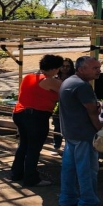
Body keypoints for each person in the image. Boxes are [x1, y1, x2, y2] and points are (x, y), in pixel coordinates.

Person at [57, 56, 103, 206]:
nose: (99, 71)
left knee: (69, 169)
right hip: (84, 135)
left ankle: (67, 199)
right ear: (81, 69)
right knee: (88, 170)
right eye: (95, 68)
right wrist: (102, 132)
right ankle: (88, 204)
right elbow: (92, 112)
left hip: (71, 133)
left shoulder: (69, 81)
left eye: (99, 67)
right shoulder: (82, 86)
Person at [10, 54, 64, 186]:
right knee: (34, 148)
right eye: (58, 68)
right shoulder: (50, 80)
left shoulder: (28, 77)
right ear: (54, 69)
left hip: (19, 113)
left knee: (24, 145)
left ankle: (16, 173)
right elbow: (67, 91)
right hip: (36, 117)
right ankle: (31, 178)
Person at [52, 58, 75, 152]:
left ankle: (67, 146)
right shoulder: (55, 78)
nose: (65, 68)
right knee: (57, 126)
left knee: (68, 126)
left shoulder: (73, 78)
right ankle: (56, 145)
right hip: (57, 105)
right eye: (63, 66)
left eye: (67, 66)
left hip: (69, 106)